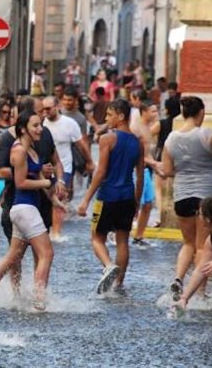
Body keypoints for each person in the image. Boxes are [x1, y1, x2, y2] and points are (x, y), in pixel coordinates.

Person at [162, 96, 212, 301]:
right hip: (206, 197)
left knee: (187, 243)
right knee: (202, 246)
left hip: (182, 196)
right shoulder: (206, 134)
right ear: (202, 113)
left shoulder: (171, 138)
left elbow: (168, 171)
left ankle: (178, 279)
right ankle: (200, 293)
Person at [0, 110, 60, 310]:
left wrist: (54, 197)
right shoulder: (18, 150)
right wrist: (45, 180)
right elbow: (20, 182)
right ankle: (39, 301)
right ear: (23, 128)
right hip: (24, 208)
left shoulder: (31, 149)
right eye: (35, 125)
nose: (40, 129)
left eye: (41, 125)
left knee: (13, 256)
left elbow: (34, 177)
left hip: (27, 207)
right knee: (47, 253)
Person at [77, 99, 144, 294]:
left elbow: (100, 172)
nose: (106, 119)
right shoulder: (138, 143)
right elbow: (139, 176)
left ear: (121, 116)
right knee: (123, 241)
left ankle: (108, 266)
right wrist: (137, 203)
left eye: (109, 115)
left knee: (97, 238)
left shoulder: (107, 138)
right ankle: (118, 283)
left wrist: (86, 200)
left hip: (107, 196)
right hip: (127, 197)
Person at [42, 96, 94, 240]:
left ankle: (56, 233)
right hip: (46, 167)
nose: (45, 112)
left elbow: (81, 144)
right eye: (43, 109)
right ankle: (48, 230)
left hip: (64, 167)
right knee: (47, 199)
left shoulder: (69, 124)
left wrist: (89, 161)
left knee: (59, 196)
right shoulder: (41, 124)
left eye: (48, 108)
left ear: (57, 106)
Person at [130, 102, 162, 246]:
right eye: (153, 111)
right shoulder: (135, 128)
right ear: (144, 112)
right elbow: (134, 153)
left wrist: (155, 166)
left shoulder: (149, 128)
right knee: (133, 204)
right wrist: (154, 163)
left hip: (146, 170)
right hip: (136, 171)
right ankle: (117, 231)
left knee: (148, 204)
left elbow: (147, 152)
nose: (156, 114)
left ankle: (139, 236)